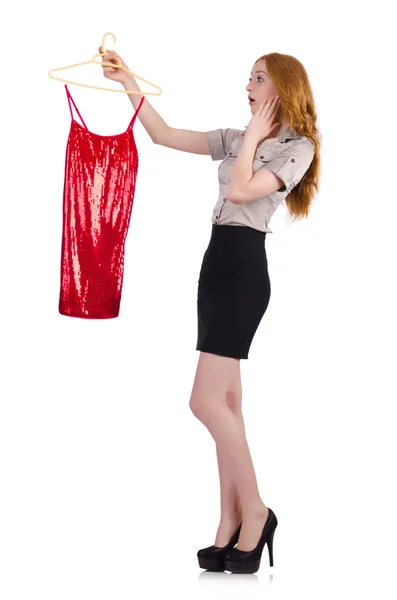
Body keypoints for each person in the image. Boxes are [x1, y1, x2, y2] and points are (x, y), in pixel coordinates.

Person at [99, 47, 319, 574]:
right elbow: (164, 134)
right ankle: (228, 519)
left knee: (203, 403)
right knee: (227, 403)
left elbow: (243, 190)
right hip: (215, 265)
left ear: (282, 88)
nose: (248, 85)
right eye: (248, 77)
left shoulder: (298, 147)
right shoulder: (238, 137)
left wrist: (255, 135)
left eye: (259, 78)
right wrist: (128, 79)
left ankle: (257, 510)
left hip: (245, 270)